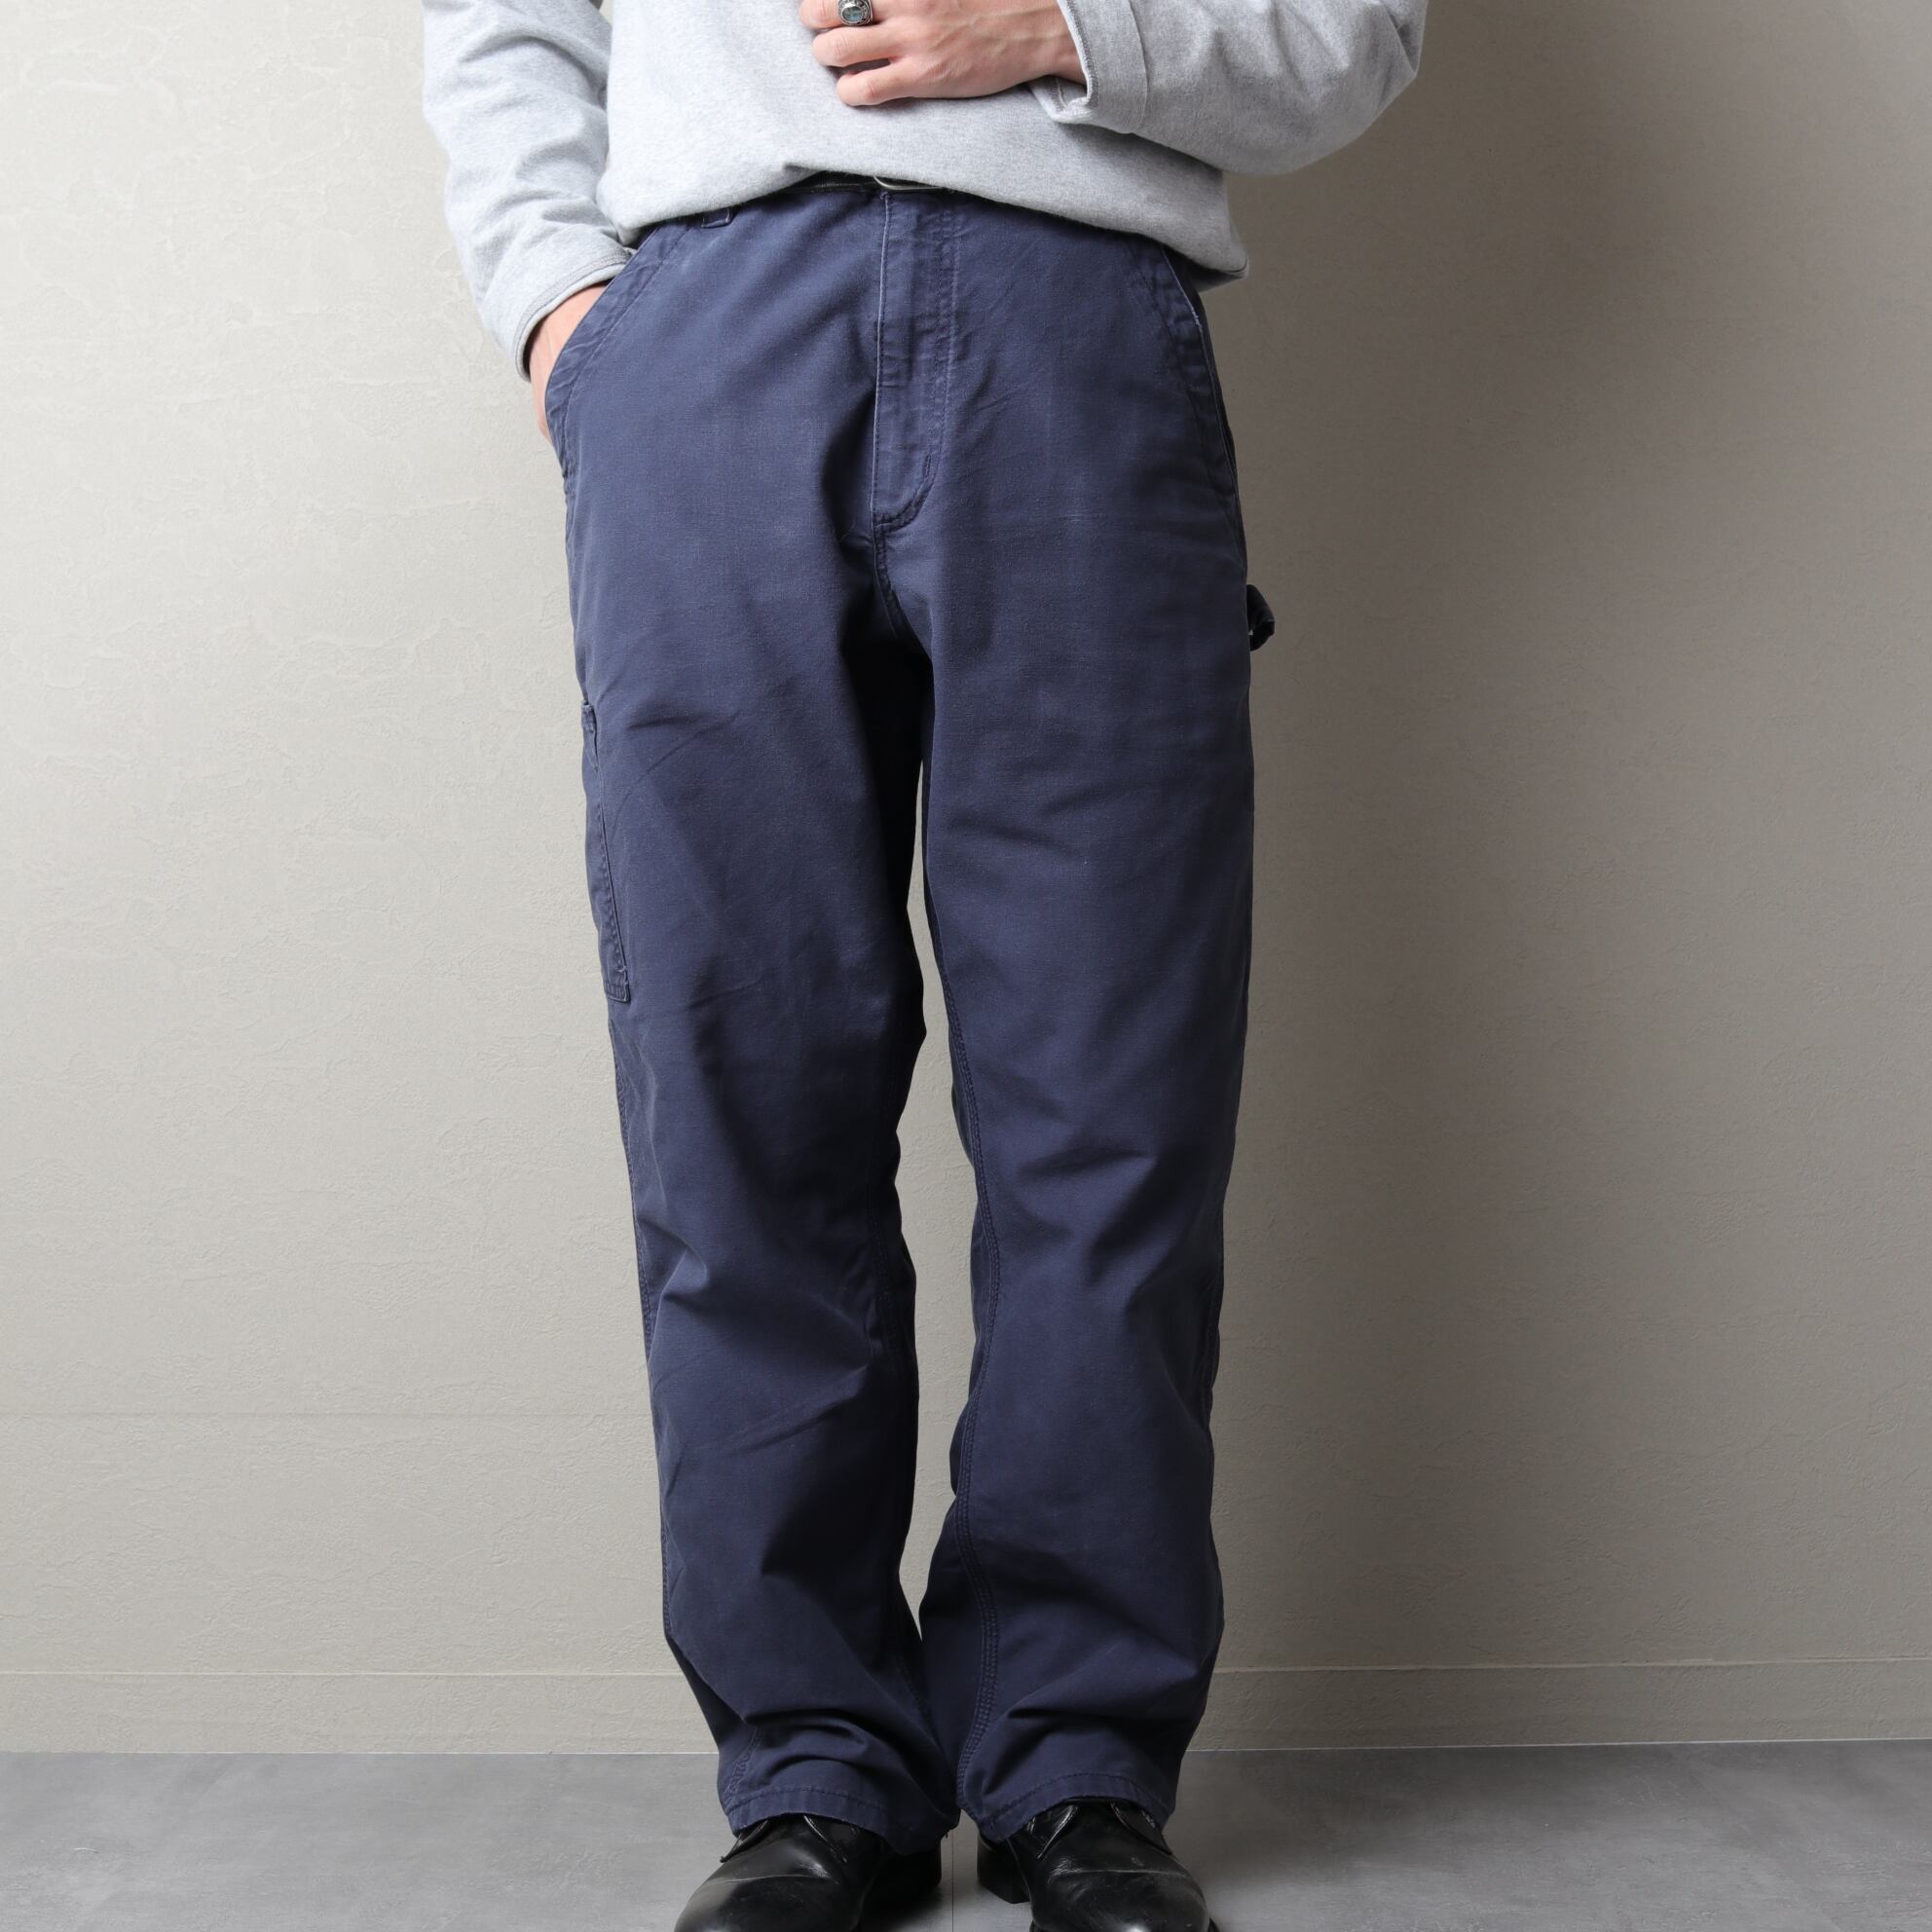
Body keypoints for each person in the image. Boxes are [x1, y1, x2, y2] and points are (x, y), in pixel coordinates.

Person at [421, 4, 1425, 1927]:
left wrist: (1062, 30)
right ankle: (813, 1766)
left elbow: (1346, 31)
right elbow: (505, 26)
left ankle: (1074, 1764)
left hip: (1077, 327)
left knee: (1107, 1111)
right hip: (705, 343)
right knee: (740, 1089)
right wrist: (563, 315)